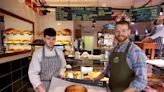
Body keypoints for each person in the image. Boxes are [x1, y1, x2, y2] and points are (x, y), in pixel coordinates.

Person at [93, 21, 147, 92]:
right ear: (114, 32)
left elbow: (141, 80)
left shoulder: (135, 51)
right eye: (117, 31)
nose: (120, 34)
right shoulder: (113, 50)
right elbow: (108, 70)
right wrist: (95, 79)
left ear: (129, 32)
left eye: (123, 31)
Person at [28, 28, 66, 92]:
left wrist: (61, 74)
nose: (51, 41)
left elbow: (63, 66)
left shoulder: (59, 52)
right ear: (44, 38)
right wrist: (39, 87)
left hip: (57, 85)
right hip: (43, 86)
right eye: (48, 38)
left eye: (53, 39)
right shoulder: (37, 53)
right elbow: (33, 73)